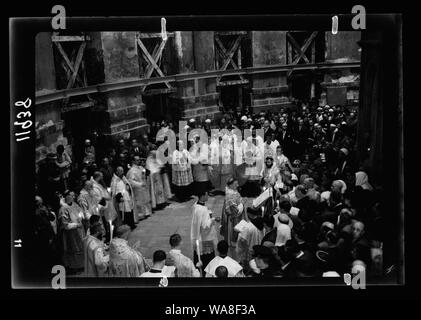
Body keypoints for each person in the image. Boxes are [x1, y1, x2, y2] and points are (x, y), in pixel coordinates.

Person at [191, 191, 220, 275]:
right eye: (207, 194)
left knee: (199, 258)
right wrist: (213, 219)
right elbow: (205, 227)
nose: (208, 196)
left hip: (198, 238)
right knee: (208, 263)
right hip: (205, 239)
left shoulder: (195, 205)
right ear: (202, 195)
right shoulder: (202, 210)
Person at [58, 190, 85, 274]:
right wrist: (76, 224)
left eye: (72, 196)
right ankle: (73, 267)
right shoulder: (63, 209)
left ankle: (81, 265)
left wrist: (81, 217)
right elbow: (65, 224)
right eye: (70, 196)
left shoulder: (75, 205)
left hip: (79, 231)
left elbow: (81, 214)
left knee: (81, 247)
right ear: (66, 197)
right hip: (71, 234)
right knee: (73, 249)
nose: (72, 197)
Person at [127, 156, 152, 220]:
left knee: (145, 200)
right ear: (133, 161)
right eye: (137, 160)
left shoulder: (140, 168)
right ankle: (140, 215)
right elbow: (131, 181)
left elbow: (144, 172)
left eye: (139, 160)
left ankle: (146, 212)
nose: (139, 161)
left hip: (143, 188)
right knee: (139, 202)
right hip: (137, 189)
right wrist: (140, 184)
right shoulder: (131, 171)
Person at [221, 178, 244, 247]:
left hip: (236, 212)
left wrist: (241, 203)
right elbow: (231, 209)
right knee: (233, 228)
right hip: (233, 217)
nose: (237, 185)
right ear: (230, 185)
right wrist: (240, 207)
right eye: (235, 184)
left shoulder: (233, 191)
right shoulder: (229, 195)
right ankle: (231, 241)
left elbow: (239, 200)